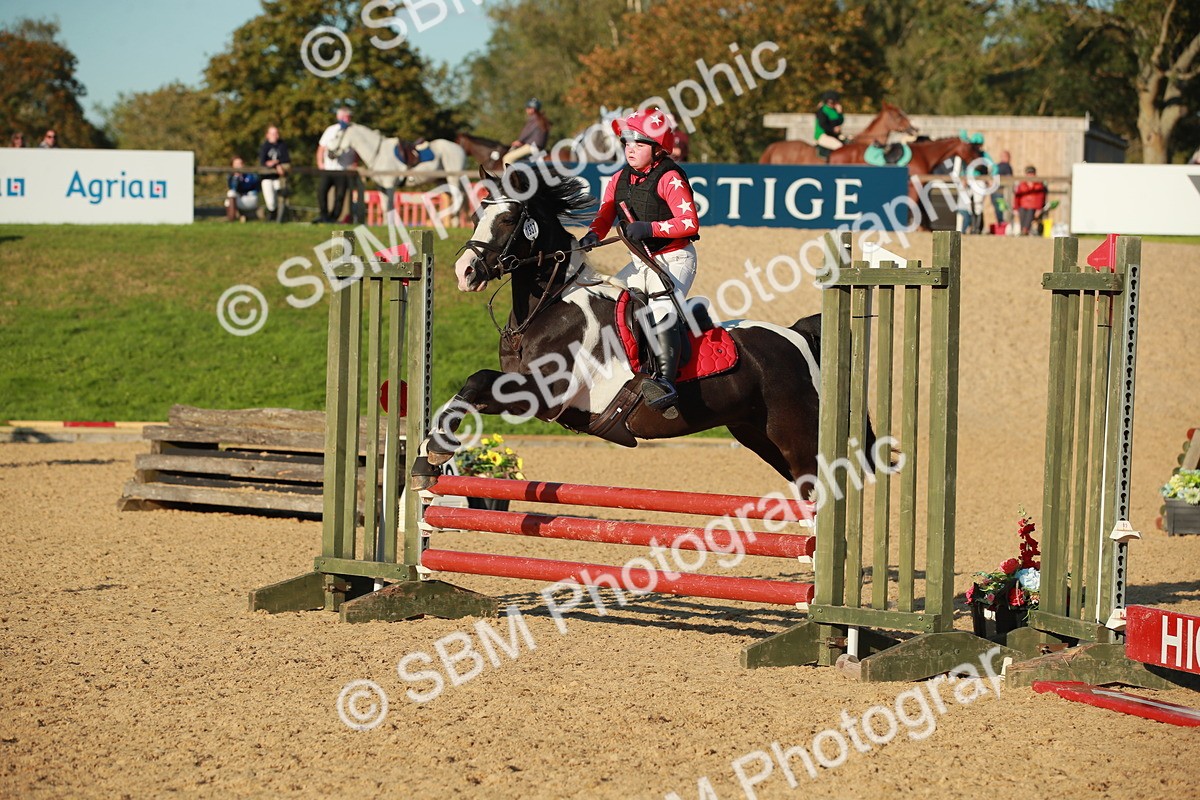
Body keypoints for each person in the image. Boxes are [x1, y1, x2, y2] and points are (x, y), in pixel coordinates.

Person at [579, 109, 700, 414]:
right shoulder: (618, 178)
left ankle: (666, 383)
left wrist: (649, 228)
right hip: (641, 261)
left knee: (660, 309)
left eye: (639, 143)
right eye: (627, 143)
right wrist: (593, 234)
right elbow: (605, 213)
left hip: (674, 258)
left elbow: (689, 223)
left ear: (658, 149)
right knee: (609, 302)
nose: (630, 149)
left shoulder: (670, 177)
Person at [315, 106, 357, 223]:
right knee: (321, 191)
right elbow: (321, 148)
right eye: (345, 117)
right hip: (329, 169)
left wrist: (354, 163)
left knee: (340, 195)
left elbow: (356, 151)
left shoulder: (353, 132)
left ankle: (334, 218)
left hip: (343, 169)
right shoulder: (331, 130)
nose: (347, 119)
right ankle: (324, 215)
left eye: (348, 117)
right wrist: (320, 163)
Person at [502, 98, 551, 166]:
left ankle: (509, 173)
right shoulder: (542, 119)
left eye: (528, 108)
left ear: (532, 109)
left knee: (507, 158)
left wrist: (519, 141)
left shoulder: (534, 119)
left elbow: (527, 132)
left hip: (531, 147)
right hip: (539, 147)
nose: (526, 110)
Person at [257, 125, 291, 222]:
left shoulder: (282, 145)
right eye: (272, 133)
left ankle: (279, 219)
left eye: (276, 133)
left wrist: (276, 164)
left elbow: (286, 160)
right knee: (270, 202)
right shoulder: (264, 146)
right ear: (267, 135)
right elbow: (263, 162)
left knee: (281, 198)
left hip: (278, 178)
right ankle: (272, 216)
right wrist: (275, 164)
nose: (275, 135)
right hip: (267, 177)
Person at [1014, 165, 1048, 236]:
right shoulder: (1022, 184)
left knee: (1030, 211)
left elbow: (1041, 198)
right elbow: (1017, 197)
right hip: (1023, 206)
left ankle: (1025, 230)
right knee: (1022, 211)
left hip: (1034, 207)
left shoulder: (1039, 185)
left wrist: (1039, 209)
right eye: (1028, 173)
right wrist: (1015, 208)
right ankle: (1023, 230)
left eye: (1032, 173)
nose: (1030, 175)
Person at [225, 157, 260, 222]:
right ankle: (231, 220)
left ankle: (239, 217)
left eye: (240, 163)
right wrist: (236, 178)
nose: (239, 166)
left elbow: (253, 186)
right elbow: (233, 189)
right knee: (229, 197)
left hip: (249, 197)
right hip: (238, 199)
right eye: (236, 164)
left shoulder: (251, 174)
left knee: (230, 198)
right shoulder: (231, 177)